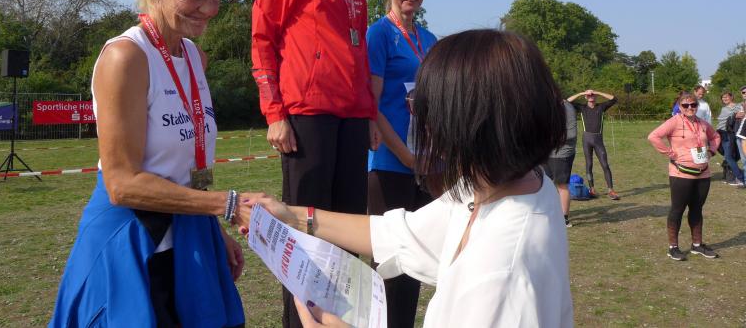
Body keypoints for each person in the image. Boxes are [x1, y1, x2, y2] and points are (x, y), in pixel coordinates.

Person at [248, 29, 574, 328]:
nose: (423, 122)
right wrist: (293, 216)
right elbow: (400, 234)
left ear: (469, 122)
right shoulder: (505, 184)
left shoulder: (499, 274)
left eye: (426, 108)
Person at [50, 0, 263, 328]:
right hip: (130, 238)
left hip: (186, 232)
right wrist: (227, 205)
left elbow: (183, 165)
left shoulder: (195, 56)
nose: (209, 9)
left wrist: (212, 230)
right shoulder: (126, 56)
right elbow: (122, 184)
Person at [251, 0, 379, 328]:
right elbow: (263, 40)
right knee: (305, 240)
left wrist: (369, 114)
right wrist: (275, 113)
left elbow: (358, 49)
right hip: (306, 116)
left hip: (351, 117)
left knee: (346, 233)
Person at [365, 0, 437, 327]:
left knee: (417, 260)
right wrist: (407, 157)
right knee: (390, 263)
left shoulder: (430, 39)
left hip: (426, 163)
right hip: (390, 163)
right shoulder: (378, 34)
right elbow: (371, 105)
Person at [647, 91, 721, 261]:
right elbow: (653, 136)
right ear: (679, 107)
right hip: (681, 173)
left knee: (697, 209)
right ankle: (673, 247)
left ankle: (697, 245)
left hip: (703, 173)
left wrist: (711, 151)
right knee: (677, 209)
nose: (689, 108)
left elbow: (716, 136)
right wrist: (670, 153)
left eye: (693, 104)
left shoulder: (702, 123)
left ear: (697, 106)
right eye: (685, 105)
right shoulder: (674, 121)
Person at [567, 89, 620, 200]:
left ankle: (611, 190)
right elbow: (567, 101)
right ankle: (592, 189)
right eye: (589, 95)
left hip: (598, 140)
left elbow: (614, 99)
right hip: (587, 139)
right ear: (586, 97)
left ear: (595, 97)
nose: (591, 96)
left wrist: (598, 92)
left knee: (605, 164)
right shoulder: (582, 108)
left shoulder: (601, 107)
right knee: (589, 164)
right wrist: (582, 93)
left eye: (592, 95)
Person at [543, 99, 578, 227]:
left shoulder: (567, 107)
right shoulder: (546, 105)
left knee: (561, 185)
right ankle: (549, 213)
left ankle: (564, 219)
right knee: (545, 184)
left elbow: (571, 134)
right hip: (546, 152)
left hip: (562, 153)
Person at [716, 91, 744, 186]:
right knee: (726, 155)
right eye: (723, 97)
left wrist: (735, 115)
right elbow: (721, 120)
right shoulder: (723, 109)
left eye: (726, 97)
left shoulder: (739, 106)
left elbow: (741, 115)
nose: (724, 99)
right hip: (721, 133)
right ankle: (729, 173)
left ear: (731, 97)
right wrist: (734, 115)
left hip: (730, 134)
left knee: (730, 156)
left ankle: (740, 177)